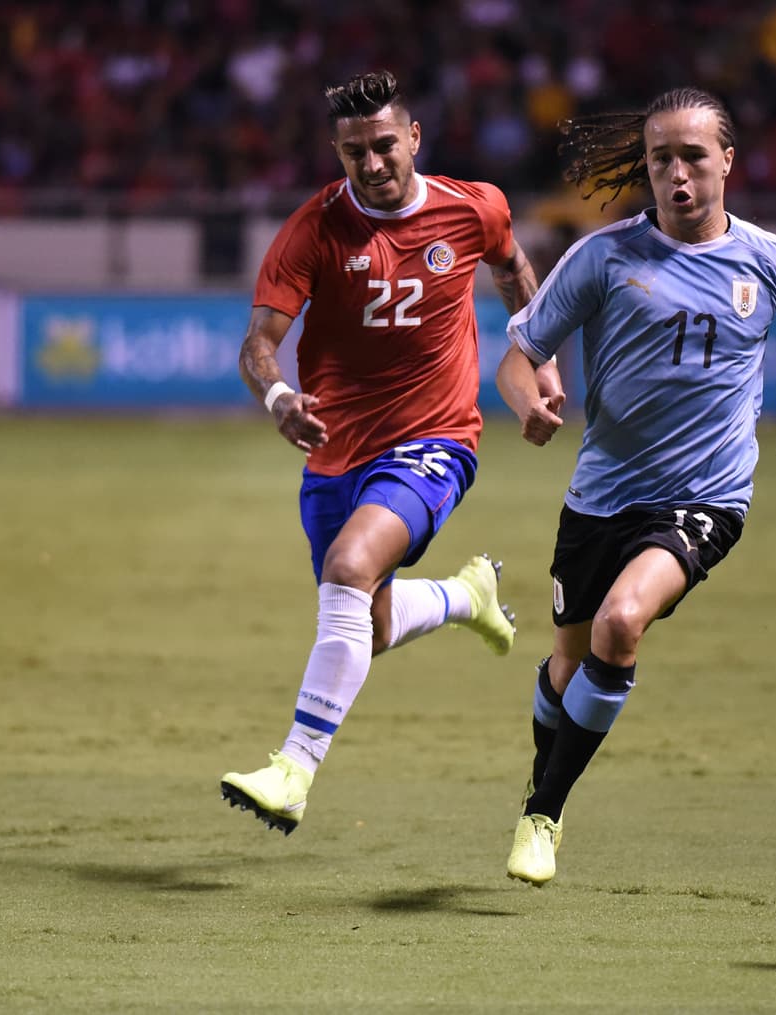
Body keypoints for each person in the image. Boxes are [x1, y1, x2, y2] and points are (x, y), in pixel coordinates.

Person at [495, 87, 776, 885]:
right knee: (563, 669)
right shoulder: (603, 257)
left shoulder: (775, 262)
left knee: (622, 624)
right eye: (661, 160)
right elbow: (518, 357)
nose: (677, 174)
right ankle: (545, 783)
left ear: (728, 160)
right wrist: (532, 403)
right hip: (598, 497)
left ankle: (543, 814)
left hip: (705, 499)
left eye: (693, 156)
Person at [221, 70, 563, 835]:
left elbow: (511, 269)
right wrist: (280, 399)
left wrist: (538, 359)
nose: (371, 166)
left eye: (383, 146)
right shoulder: (312, 229)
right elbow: (258, 344)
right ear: (337, 153)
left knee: (347, 569)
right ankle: (465, 596)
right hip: (334, 452)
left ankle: (293, 769)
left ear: (413, 138)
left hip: (436, 438)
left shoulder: (475, 207)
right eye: (353, 153)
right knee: (364, 628)